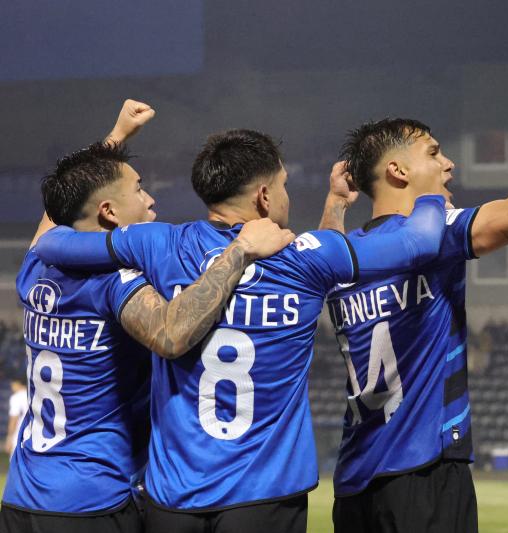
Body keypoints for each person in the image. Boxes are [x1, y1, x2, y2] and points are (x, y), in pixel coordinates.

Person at [34, 128, 449, 533]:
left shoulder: (158, 244)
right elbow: (422, 241)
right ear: (265, 197)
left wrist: (337, 203)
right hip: (265, 493)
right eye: (283, 184)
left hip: (174, 497)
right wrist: (428, 188)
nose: (286, 194)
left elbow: (51, 244)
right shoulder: (303, 257)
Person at [319, 63, 508, 532]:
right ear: (398, 170)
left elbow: (327, 254)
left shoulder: (343, 256)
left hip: (355, 481)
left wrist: (336, 205)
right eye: (434, 152)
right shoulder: (435, 230)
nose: (448, 164)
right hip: (425, 472)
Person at [1, 103, 294, 533]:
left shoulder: (35, 269)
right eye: (138, 189)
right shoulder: (114, 283)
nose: (150, 197)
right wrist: (240, 250)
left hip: (22, 496)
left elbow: (60, 207)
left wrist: (116, 136)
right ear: (109, 213)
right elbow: (171, 335)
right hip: (93, 502)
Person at [4, 375, 27, 457]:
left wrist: (9, 439)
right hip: (33, 436)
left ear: (17, 384)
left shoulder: (16, 397)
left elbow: (14, 419)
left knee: (15, 466)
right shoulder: (33, 396)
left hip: (19, 435)